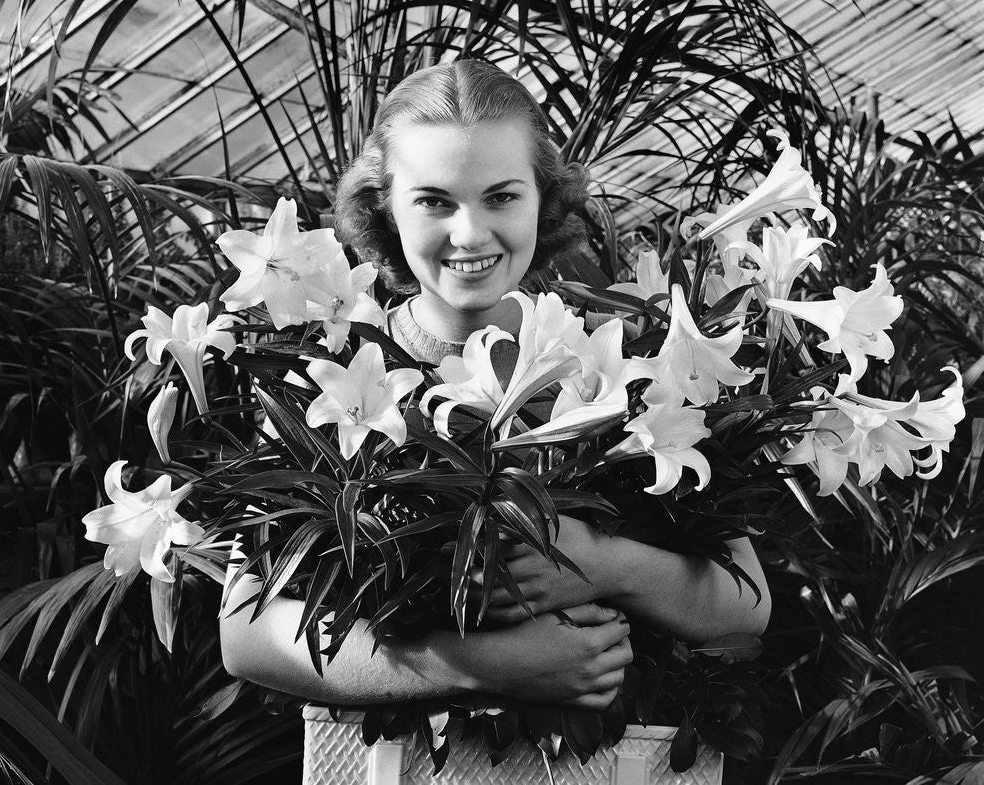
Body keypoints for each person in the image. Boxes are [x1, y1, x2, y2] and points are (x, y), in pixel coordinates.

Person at [219, 60, 770, 713]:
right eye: (433, 201)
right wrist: (486, 667)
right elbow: (244, 635)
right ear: (385, 209)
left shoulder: (624, 355)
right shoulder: (323, 372)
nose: (470, 233)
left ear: (545, 198)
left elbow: (747, 610)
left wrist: (607, 563)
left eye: (502, 197)